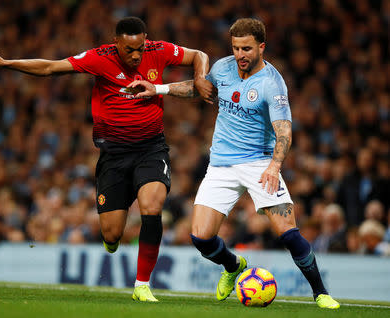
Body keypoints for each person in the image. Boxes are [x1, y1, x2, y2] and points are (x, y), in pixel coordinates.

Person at [0, 16, 211, 302]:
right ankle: (112, 240)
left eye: (140, 48)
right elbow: (50, 67)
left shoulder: (158, 50)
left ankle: (142, 285)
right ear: (116, 43)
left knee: (152, 206)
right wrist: (7, 63)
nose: (136, 55)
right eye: (129, 50)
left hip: (151, 148)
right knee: (112, 235)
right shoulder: (99, 58)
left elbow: (199, 55)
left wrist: (199, 76)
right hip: (113, 155)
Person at [128, 18, 340, 309]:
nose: (241, 54)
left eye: (247, 49)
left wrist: (274, 167)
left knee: (288, 232)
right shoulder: (223, 68)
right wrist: (158, 89)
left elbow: (284, 132)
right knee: (201, 237)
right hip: (221, 165)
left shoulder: (272, 83)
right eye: (236, 48)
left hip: (260, 164)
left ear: (262, 47)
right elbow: (199, 88)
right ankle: (233, 266)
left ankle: (321, 293)